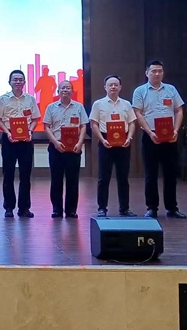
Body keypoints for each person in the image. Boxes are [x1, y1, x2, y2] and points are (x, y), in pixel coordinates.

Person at [132, 60, 185, 219]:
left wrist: (176, 130)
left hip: (170, 136)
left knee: (171, 173)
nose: (157, 74)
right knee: (151, 174)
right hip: (150, 136)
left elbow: (179, 110)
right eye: (153, 71)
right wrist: (149, 132)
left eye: (159, 71)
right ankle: (152, 208)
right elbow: (138, 113)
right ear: (147, 73)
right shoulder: (140, 91)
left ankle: (172, 208)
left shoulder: (171, 89)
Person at [90, 75, 137, 217]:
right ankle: (102, 208)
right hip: (105, 142)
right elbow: (94, 124)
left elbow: (132, 123)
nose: (113, 87)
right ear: (105, 87)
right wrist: (102, 140)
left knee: (123, 178)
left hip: (124, 142)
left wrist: (129, 138)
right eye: (110, 85)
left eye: (116, 84)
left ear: (120, 87)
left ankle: (124, 208)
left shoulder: (126, 104)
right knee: (103, 178)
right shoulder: (98, 104)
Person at [0, 70, 41, 218]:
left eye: (21, 79)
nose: (18, 82)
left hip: (26, 140)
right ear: (10, 82)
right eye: (15, 79)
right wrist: (7, 133)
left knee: (25, 175)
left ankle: (24, 208)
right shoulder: (3, 99)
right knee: (8, 174)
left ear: (24, 82)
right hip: (9, 138)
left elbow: (35, 119)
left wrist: (30, 131)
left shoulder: (30, 99)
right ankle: (9, 207)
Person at [43, 80, 88, 218]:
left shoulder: (79, 107)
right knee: (56, 180)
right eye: (62, 88)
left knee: (73, 180)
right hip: (56, 147)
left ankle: (71, 210)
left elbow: (84, 126)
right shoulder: (51, 107)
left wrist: (80, 143)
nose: (65, 90)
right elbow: (46, 126)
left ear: (72, 91)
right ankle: (56, 209)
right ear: (58, 91)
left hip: (74, 148)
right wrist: (55, 142)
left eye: (68, 88)